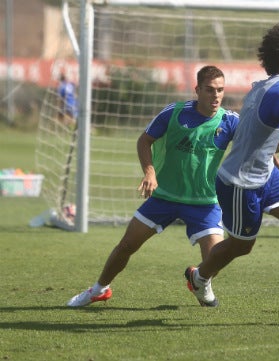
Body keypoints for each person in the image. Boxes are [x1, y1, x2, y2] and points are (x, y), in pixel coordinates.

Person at [184, 22, 279, 322]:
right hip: (240, 182)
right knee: (242, 246)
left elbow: (265, 134)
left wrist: (272, 157)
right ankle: (199, 276)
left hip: (266, 173)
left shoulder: (263, 86)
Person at [67, 65, 244, 307]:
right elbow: (144, 140)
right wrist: (149, 171)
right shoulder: (173, 113)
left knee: (217, 258)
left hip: (204, 202)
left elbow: (252, 141)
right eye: (210, 90)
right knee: (127, 245)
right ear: (197, 90)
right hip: (164, 197)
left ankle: (199, 280)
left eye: (220, 90)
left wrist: (274, 156)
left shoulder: (230, 121)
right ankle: (99, 289)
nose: (216, 96)